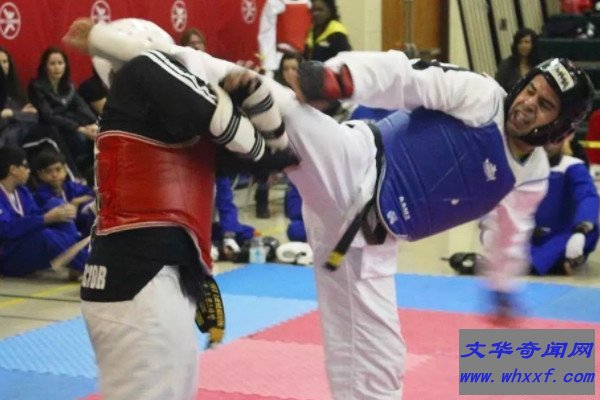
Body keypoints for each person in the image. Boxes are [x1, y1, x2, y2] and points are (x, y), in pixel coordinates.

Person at [64, 17, 594, 400]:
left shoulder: (532, 174)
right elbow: (404, 75)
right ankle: (123, 47)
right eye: (532, 90)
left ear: (560, 126)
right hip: (355, 164)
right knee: (271, 99)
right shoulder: (481, 96)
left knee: (378, 367)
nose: (528, 104)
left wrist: (501, 290)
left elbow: (509, 233)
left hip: (370, 242)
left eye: (545, 105)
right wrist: (334, 78)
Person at [62, 17, 291, 400]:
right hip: (139, 283)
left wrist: (251, 115)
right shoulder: (140, 73)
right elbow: (249, 143)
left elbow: (261, 158)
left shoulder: (161, 122)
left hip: (154, 281)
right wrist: (253, 123)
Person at [0, 147, 88, 278]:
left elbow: (35, 215)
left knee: (58, 205)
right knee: (46, 236)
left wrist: (58, 212)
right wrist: (46, 218)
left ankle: (77, 263)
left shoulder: (22, 191)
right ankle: (88, 264)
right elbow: (5, 229)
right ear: (13, 169)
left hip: (24, 244)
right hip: (7, 258)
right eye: (25, 166)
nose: (29, 170)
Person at [530, 136, 599, 275]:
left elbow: (587, 196)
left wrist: (581, 230)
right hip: (529, 234)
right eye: (543, 140)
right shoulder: (524, 167)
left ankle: (550, 263)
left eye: (555, 140)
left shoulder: (572, 166)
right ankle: (558, 264)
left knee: (590, 231)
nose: (548, 145)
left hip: (562, 234)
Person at [28, 47, 98, 176]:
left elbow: (82, 106)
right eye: (52, 64)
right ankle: (76, 173)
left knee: (97, 135)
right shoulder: (36, 87)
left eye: (60, 63)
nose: (57, 68)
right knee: (79, 138)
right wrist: (79, 128)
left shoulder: (69, 85)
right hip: (50, 127)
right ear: (45, 66)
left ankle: (92, 171)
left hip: (70, 123)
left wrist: (94, 124)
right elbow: (48, 115)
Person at [32, 150, 96, 238]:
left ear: (65, 169)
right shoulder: (40, 195)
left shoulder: (71, 186)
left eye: (58, 169)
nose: (54, 175)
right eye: (48, 171)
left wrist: (76, 201)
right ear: (40, 175)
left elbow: (93, 192)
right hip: (60, 234)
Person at [495, 28, 540, 92]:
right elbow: (498, 88)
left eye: (527, 42)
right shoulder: (507, 65)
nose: (523, 45)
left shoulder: (539, 64)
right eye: (520, 42)